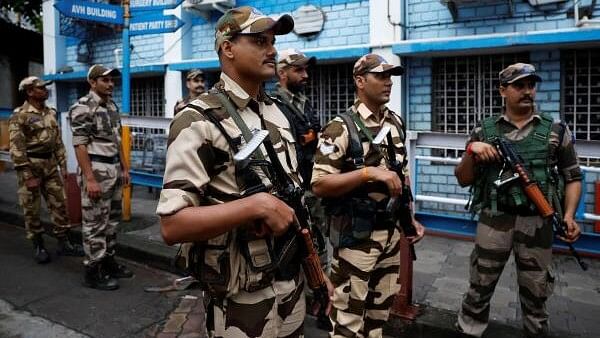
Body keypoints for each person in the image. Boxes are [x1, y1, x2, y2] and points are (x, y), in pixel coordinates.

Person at [156, 6, 332, 337]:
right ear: (228, 47)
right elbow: (171, 225)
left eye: (273, 41)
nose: (273, 49)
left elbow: (294, 202)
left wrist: (317, 274)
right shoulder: (198, 120)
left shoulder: (278, 112)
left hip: (291, 287)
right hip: (242, 300)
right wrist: (254, 206)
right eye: (260, 41)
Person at [455, 63, 583, 338]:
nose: (527, 91)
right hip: (494, 220)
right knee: (479, 288)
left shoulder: (556, 130)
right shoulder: (484, 130)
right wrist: (471, 150)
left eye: (531, 85)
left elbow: (572, 176)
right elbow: (463, 178)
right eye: (519, 85)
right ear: (503, 91)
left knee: (536, 295)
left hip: (538, 221)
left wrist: (570, 216)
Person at [312, 54, 425, 338]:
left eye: (390, 77)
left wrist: (410, 218)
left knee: (378, 317)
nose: (388, 83)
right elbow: (319, 184)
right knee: (348, 322)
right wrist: (368, 173)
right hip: (356, 238)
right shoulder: (340, 128)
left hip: (390, 234)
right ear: (360, 81)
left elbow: (403, 174)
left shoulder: (395, 123)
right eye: (381, 76)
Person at [272, 48, 331, 330]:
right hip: (289, 189)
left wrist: (311, 136)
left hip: (311, 185)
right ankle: (292, 306)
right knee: (291, 249)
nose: (305, 75)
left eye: (306, 69)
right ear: (282, 73)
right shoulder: (273, 103)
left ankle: (322, 300)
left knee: (319, 245)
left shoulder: (303, 101)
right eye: (299, 70)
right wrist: (309, 137)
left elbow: (317, 133)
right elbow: (290, 142)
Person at [69, 64, 133, 291]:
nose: (111, 83)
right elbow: (80, 145)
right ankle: (93, 270)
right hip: (96, 171)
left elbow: (118, 140)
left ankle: (108, 261)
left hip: (114, 170)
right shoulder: (82, 108)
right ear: (92, 82)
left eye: (112, 80)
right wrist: (90, 178)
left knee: (112, 222)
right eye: (105, 80)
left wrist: (125, 168)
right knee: (95, 223)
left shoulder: (112, 106)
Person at [9, 76, 84, 263]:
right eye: (41, 88)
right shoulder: (20, 115)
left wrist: (64, 165)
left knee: (59, 205)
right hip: (31, 167)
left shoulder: (50, 112)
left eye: (45, 87)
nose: (45, 90)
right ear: (30, 92)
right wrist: (27, 175)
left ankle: (64, 242)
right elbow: (17, 148)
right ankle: (38, 245)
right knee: (31, 209)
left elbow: (57, 142)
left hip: (50, 166)